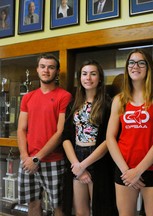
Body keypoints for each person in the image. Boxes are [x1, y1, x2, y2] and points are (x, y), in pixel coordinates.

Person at [106, 49, 153, 216]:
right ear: (127, 68)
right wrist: (127, 171)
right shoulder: (119, 99)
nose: (135, 66)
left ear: (148, 68)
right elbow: (110, 138)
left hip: (152, 168)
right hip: (124, 168)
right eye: (131, 63)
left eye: (141, 62)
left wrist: (138, 170)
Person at [17, 53, 72, 216]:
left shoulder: (64, 96)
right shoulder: (28, 97)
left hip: (53, 161)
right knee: (33, 204)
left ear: (56, 71)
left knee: (59, 207)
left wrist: (37, 158)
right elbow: (21, 129)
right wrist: (25, 156)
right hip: (28, 160)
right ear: (37, 69)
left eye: (51, 67)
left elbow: (60, 132)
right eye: (43, 66)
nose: (46, 70)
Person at [62, 59, 118, 216]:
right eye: (84, 74)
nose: (88, 78)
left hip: (98, 159)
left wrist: (84, 165)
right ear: (79, 78)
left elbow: (109, 139)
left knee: (101, 210)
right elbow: (65, 137)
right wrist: (77, 165)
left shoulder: (108, 104)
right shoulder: (73, 104)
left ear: (99, 78)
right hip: (76, 158)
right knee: (80, 212)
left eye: (93, 74)